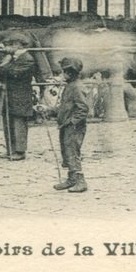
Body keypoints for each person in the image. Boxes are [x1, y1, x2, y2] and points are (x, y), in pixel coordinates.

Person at [0, 32, 38, 161]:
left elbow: (14, 73)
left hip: (20, 96)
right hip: (10, 95)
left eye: (10, 44)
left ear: (18, 44)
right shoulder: (14, 58)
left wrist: (6, 63)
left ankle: (20, 151)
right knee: (8, 123)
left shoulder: (27, 59)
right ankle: (10, 149)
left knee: (19, 123)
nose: (8, 47)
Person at [54, 57, 89, 193]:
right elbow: (65, 107)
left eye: (64, 72)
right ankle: (71, 179)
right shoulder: (70, 86)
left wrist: (73, 122)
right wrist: (48, 110)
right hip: (66, 125)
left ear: (70, 72)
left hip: (74, 127)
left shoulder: (77, 87)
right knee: (66, 152)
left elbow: (83, 108)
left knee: (72, 152)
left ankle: (80, 181)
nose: (62, 74)